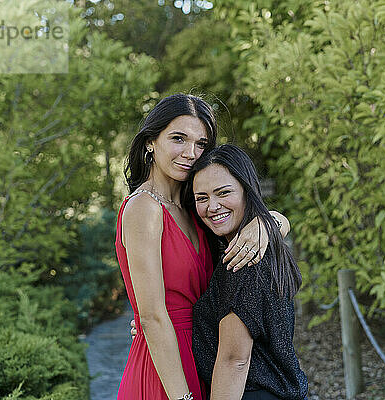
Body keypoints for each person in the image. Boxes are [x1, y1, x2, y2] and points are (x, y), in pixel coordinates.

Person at [115, 94, 290, 400]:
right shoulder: (144, 208)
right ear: (150, 143)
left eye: (201, 144)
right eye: (178, 139)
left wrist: (271, 221)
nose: (190, 153)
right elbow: (153, 317)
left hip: (205, 357)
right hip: (167, 372)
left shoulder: (194, 206)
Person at [187, 144, 308, 399]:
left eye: (223, 193)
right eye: (202, 198)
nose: (212, 206)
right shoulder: (260, 244)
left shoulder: (242, 259)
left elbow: (234, 361)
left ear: (246, 191)